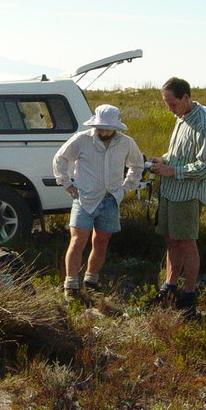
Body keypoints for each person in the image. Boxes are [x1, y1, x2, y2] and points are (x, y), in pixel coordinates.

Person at [53, 104, 144, 299]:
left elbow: (136, 166)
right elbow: (60, 159)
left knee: (101, 241)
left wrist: (126, 188)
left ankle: (91, 281)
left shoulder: (126, 143)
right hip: (84, 198)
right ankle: (70, 285)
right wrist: (66, 183)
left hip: (110, 199)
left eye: (106, 127)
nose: (102, 130)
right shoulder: (82, 139)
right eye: (100, 126)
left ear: (115, 127)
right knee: (78, 240)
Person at [148, 77, 206, 315]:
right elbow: (180, 151)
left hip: (187, 194)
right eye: (166, 103)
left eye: (172, 103)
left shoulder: (204, 123)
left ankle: (188, 295)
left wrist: (173, 170)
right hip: (170, 190)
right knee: (170, 238)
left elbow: (205, 167)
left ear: (185, 97)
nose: (169, 108)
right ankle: (169, 286)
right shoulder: (181, 118)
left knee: (186, 242)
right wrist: (164, 160)